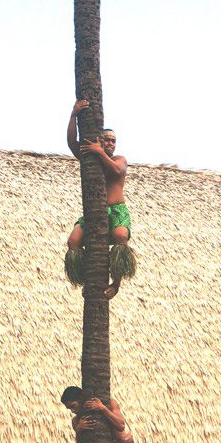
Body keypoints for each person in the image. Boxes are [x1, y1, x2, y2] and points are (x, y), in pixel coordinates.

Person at [64, 99, 136, 299]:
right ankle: (89, 280)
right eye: (107, 140)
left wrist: (99, 152)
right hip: (95, 212)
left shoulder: (119, 159)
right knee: (73, 242)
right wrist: (73, 115)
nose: (111, 143)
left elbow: (115, 170)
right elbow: (72, 143)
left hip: (117, 210)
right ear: (99, 139)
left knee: (121, 237)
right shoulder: (91, 162)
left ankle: (116, 284)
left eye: (113, 140)